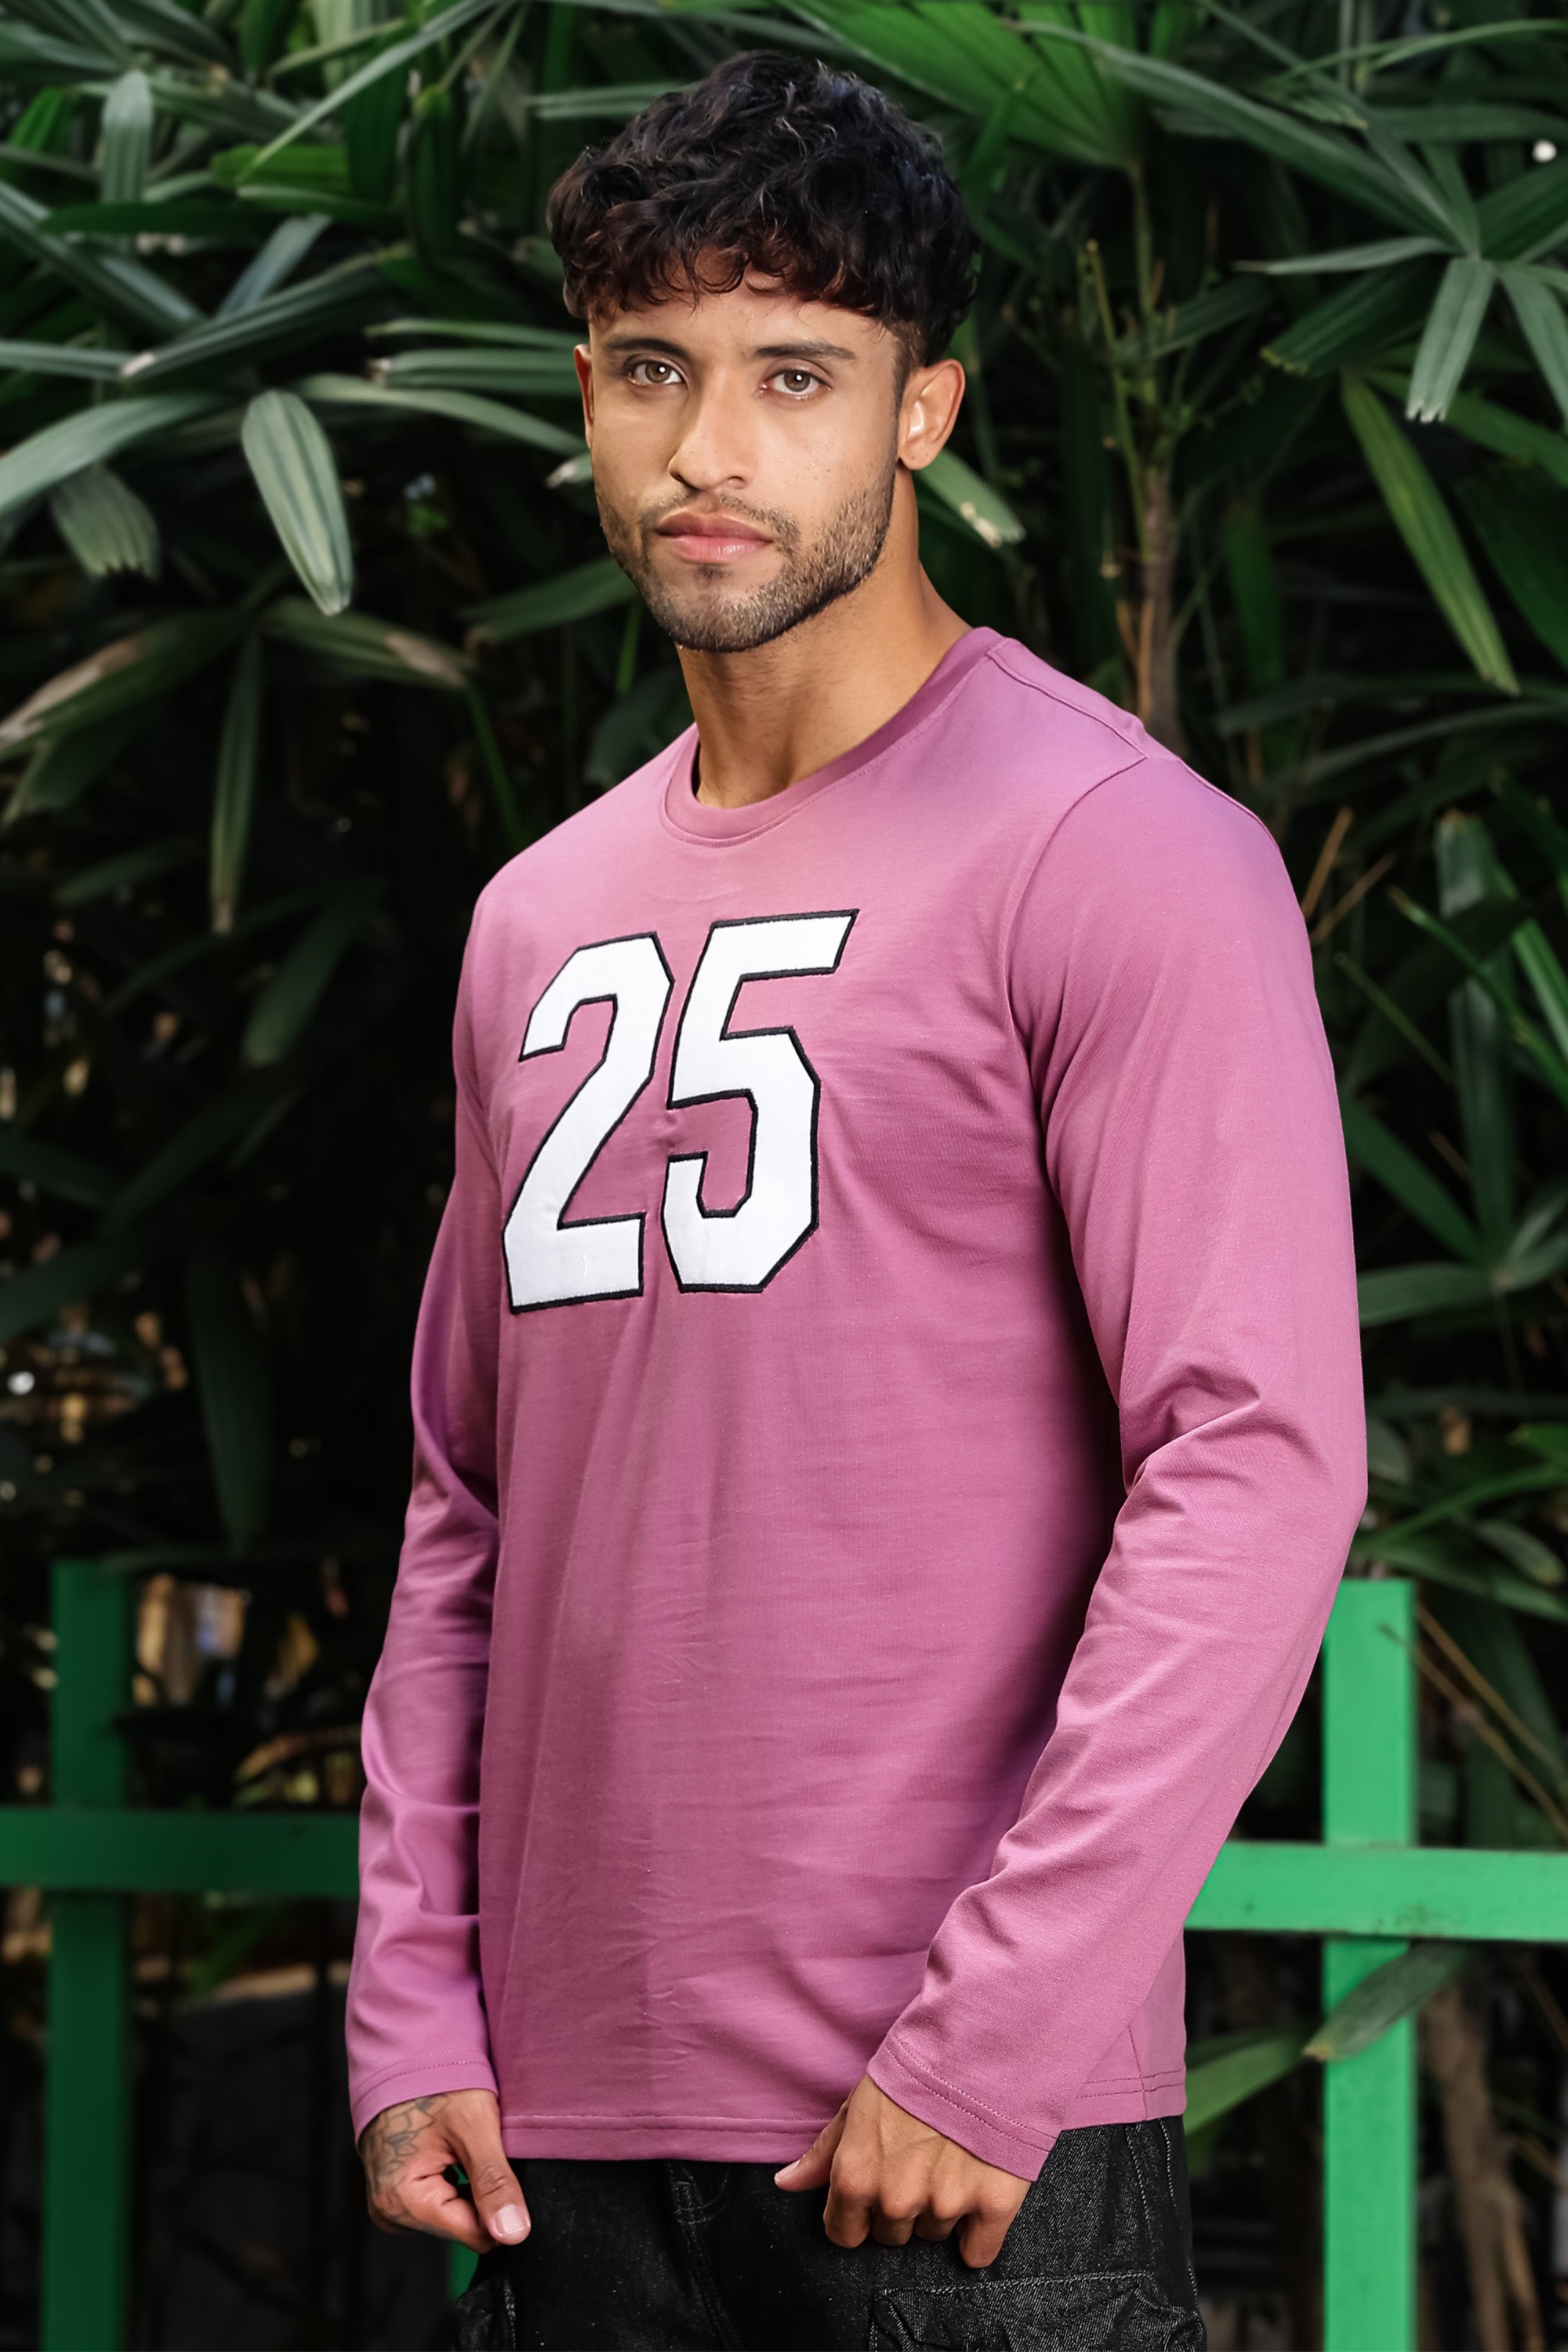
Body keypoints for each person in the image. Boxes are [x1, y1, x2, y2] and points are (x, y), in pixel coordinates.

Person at [347, 49, 1365, 2352]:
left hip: (952, 2159)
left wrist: (994, 2041)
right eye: (652, 369)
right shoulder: (534, 918)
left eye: (795, 374)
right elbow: (466, 1501)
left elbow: (1255, 1463)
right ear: (587, 397)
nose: (710, 448)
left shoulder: (1117, 852)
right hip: (555, 2160)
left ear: (925, 411)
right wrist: (411, 2004)